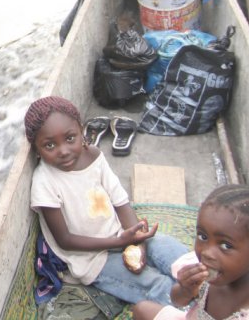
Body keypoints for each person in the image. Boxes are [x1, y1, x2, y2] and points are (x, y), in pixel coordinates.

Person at [25, 96, 188, 306]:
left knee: (167, 248)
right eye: (49, 145)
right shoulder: (44, 182)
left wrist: (137, 240)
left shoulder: (93, 155)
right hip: (92, 260)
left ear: (81, 131)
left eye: (70, 139)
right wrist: (120, 243)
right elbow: (65, 240)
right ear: (37, 149)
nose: (63, 151)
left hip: (120, 234)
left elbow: (120, 200)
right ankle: (196, 311)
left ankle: (206, 285)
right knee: (153, 283)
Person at [131, 184, 249, 320]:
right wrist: (185, 289)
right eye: (203, 236)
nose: (206, 253)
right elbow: (178, 300)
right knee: (141, 309)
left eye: (226, 245)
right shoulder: (218, 266)